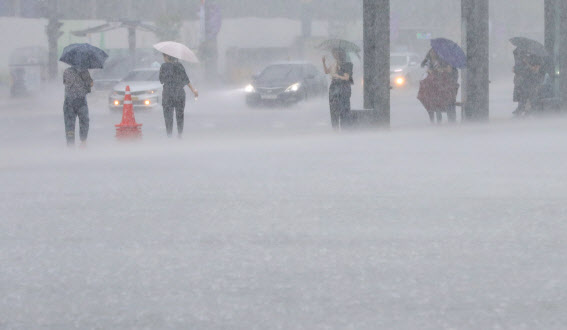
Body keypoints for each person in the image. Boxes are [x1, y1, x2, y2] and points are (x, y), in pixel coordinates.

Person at [159, 54, 199, 138]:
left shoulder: (163, 66)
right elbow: (186, 79)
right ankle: (179, 134)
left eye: (164, 56)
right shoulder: (179, 66)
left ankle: (169, 135)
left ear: (167, 57)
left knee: (168, 115)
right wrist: (193, 90)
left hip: (168, 94)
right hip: (179, 93)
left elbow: (161, 80)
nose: (163, 58)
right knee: (180, 115)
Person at [419, 49, 459, 124]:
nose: (433, 54)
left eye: (434, 52)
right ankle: (438, 120)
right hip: (437, 88)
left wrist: (442, 70)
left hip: (446, 88)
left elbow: (450, 72)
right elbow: (427, 70)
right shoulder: (429, 62)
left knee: (448, 102)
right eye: (431, 52)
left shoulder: (445, 61)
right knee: (436, 101)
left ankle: (450, 120)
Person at [322, 48, 353, 130]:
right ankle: (335, 127)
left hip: (343, 87)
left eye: (336, 54)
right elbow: (327, 71)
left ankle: (345, 127)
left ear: (341, 54)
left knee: (344, 108)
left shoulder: (347, 64)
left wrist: (338, 74)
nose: (334, 55)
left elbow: (347, 78)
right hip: (334, 86)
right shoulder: (333, 63)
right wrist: (323, 62)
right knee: (334, 108)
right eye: (333, 54)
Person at [63, 66, 93, 146]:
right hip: (81, 100)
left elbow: (65, 82)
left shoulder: (66, 71)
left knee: (69, 123)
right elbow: (89, 84)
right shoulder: (84, 71)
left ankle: (70, 144)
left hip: (69, 101)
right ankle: (83, 141)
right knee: (84, 121)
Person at [512, 50, 545, 116]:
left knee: (530, 96)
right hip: (526, 82)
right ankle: (523, 109)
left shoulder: (535, 59)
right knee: (525, 96)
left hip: (531, 82)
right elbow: (520, 70)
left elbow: (536, 70)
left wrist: (528, 64)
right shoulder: (523, 60)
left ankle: (526, 110)